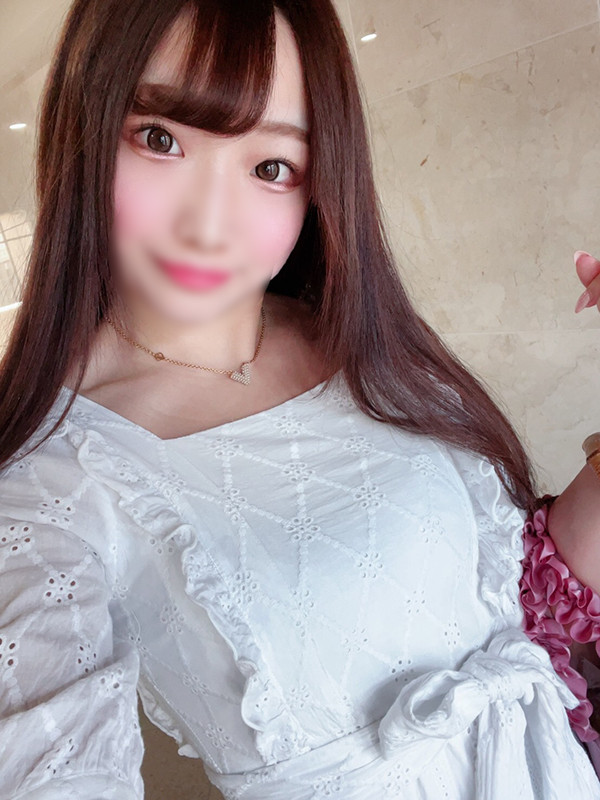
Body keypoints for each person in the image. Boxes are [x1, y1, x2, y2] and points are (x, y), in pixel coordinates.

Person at [0, 0, 599, 797]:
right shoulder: (47, 477)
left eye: (270, 167)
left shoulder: (357, 340)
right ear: (84, 129)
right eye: (160, 139)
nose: (210, 223)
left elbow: (527, 602)